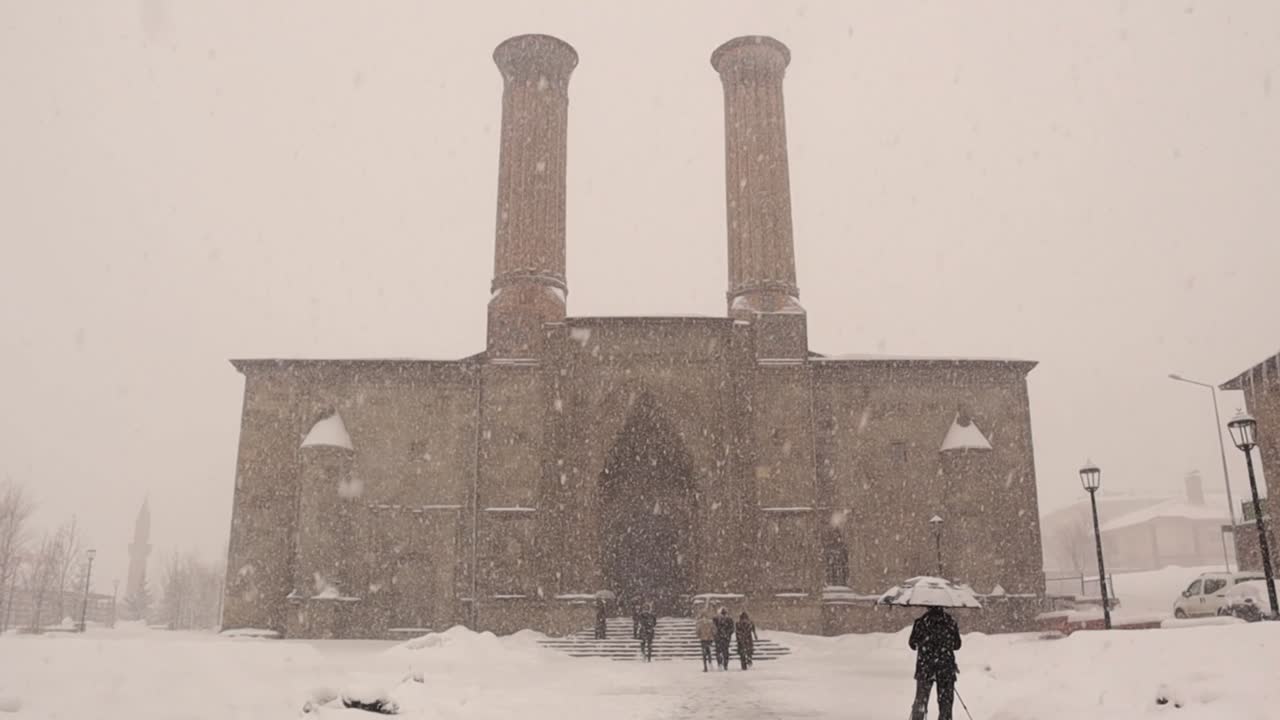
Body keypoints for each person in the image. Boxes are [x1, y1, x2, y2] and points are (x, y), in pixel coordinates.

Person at [908, 606, 962, 720]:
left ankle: (918, 717)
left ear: (928, 606)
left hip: (925, 667)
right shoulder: (950, 622)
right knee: (945, 703)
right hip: (945, 667)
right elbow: (957, 645)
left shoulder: (921, 622)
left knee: (921, 701)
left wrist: (925, 643)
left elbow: (912, 644)